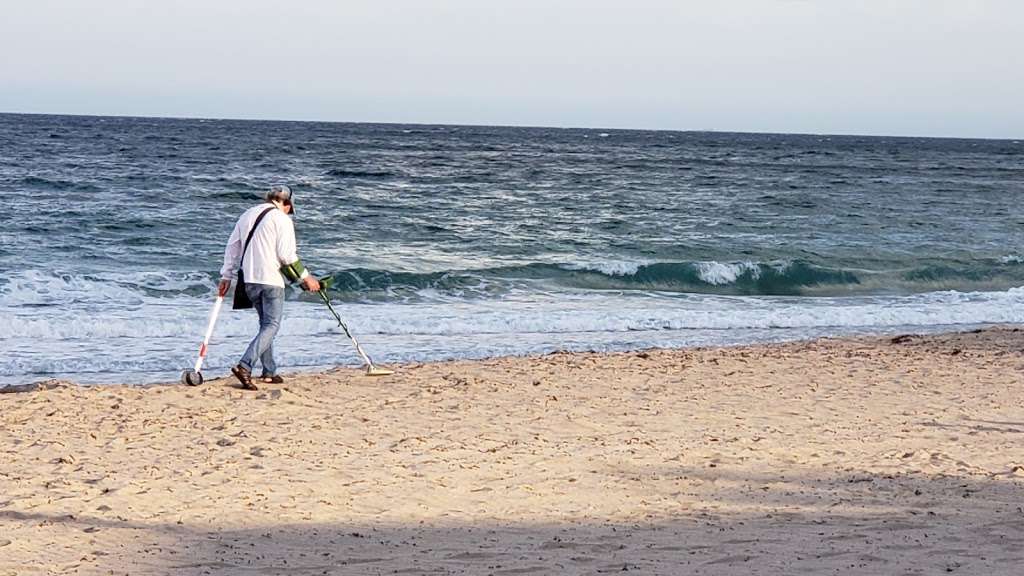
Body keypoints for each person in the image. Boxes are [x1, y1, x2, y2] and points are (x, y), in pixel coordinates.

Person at [218, 185, 320, 390]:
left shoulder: (247, 214)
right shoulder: (282, 219)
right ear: (287, 204)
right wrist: (307, 278)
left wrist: (226, 276)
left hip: (249, 280)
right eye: (289, 208)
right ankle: (244, 365)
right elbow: (287, 256)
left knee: (265, 325)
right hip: (270, 279)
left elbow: (233, 247)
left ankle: (269, 372)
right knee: (272, 325)